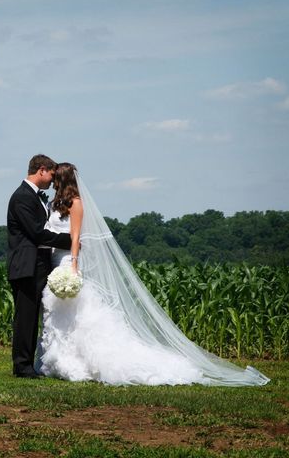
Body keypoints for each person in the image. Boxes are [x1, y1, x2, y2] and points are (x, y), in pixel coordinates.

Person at [35, 162, 270, 386]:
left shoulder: (76, 203)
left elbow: (76, 237)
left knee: (76, 315)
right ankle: (59, 362)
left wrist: (74, 265)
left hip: (68, 261)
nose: (52, 181)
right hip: (55, 262)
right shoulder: (55, 204)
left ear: (62, 179)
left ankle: (79, 363)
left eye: (55, 177)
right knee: (57, 314)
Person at [7, 155, 72, 379]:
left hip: (38, 265)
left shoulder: (35, 197)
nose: (53, 181)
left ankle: (28, 364)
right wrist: (69, 241)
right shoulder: (22, 197)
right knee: (25, 317)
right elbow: (36, 233)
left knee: (33, 315)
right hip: (26, 265)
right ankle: (22, 366)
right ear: (41, 170)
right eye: (52, 175)